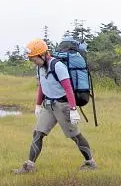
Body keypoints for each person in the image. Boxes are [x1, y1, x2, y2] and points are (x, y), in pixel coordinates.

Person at [12, 39, 98, 174]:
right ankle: (29, 166)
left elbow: (68, 89)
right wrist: (38, 105)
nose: (33, 62)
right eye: (31, 60)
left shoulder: (58, 66)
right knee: (38, 134)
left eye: (34, 59)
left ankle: (90, 163)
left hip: (63, 106)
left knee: (75, 136)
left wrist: (73, 109)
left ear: (42, 54)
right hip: (48, 105)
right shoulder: (40, 67)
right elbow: (42, 86)